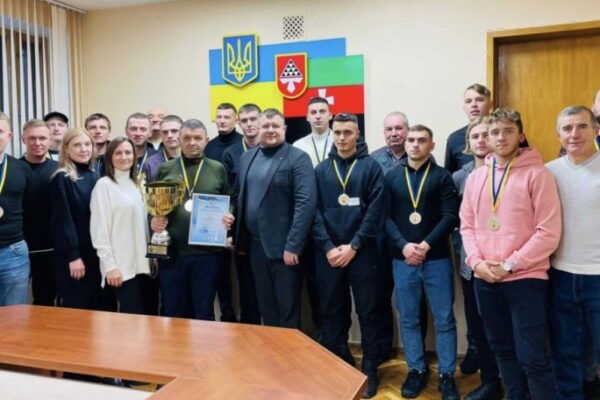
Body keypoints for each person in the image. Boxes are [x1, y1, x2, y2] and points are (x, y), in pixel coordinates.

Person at [460, 108, 561, 400]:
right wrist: (477, 263)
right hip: (485, 278)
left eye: (508, 131)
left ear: (521, 135)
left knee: (533, 356)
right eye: (494, 132)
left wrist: (510, 265)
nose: (501, 137)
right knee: (502, 350)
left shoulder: (538, 174)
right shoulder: (476, 177)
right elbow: (467, 226)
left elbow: (548, 232)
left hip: (525, 278)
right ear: (487, 138)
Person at [385, 124, 459, 400]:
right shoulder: (392, 177)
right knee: (409, 318)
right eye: (412, 140)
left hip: (436, 259)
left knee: (444, 319)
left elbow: (450, 216)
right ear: (405, 144)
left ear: (432, 145)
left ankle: (447, 374)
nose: (415, 144)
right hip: (402, 260)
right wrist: (404, 246)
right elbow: (384, 218)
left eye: (422, 140)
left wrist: (425, 245)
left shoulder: (442, 177)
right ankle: (416, 369)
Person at [313, 113, 384, 398]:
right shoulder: (321, 170)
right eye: (338, 132)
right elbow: (313, 212)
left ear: (357, 134)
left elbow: (375, 213)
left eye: (348, 132)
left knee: (368, 312)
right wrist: (329, 247)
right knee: (331, 311)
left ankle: (369, 368)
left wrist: (353, 246)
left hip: (362, 253)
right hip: (329, 253)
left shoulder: (371, 167)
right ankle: (338, 363)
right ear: (332, 133)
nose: (342, 138)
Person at [225, 108, 316, 329]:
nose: (270, 130)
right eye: (266, 126)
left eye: (275, 126)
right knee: (266, 306)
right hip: (254, 247)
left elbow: (305, 204)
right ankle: (271, 349)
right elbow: (239, 197)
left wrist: (293, 245)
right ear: (258, 129)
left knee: (287, 308)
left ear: (284, 129)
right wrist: (230, 222)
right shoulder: (247, 157)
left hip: (285, 249)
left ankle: (289, 350)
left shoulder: (298, 158)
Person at [151, 119, 231, 320]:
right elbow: (154, 205)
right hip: (173, 252)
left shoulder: (217, 168)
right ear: (179, 140)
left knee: (203, 311)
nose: (192, 142)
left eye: (197, 138)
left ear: (206, 140)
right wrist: (153, 220)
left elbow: (230, 200)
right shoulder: (166, 168)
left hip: (207, 254)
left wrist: (229, 215)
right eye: (186, 138)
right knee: (173, 311)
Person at [546, 106, 600, 400]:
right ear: (559, 135)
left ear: (596, 130)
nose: (574, 134)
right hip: (561, 275)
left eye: (582, 126)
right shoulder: (548, 172)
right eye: (567, 128)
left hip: (598, 276)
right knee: (565, 349)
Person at [370, 111, 428, 365]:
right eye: (389, 129)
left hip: (411, 241)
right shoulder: (373, 160)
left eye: (399, 128)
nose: (394, 133)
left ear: (407, 130)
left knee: (415, 299)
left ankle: (418, 352)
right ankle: (383, 347)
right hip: (380, 240)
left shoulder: (421, 156)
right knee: (379, 296)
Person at [452, 117, 502, 400]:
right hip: (472, 265)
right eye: (475, 136)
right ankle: (490, 381)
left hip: (506, 266)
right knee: (479, 326)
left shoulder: (514, 172)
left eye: (487, 134)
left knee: (507, 328)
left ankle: (515, 382)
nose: (481, 140)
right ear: (468, 144)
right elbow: (458, 223)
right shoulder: (460, 177)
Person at [51, 128, 111, 311]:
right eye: (77, 145)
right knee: (78, 309)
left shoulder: (94, 176)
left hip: (96, 254)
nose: (84, 149)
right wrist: (73, 256)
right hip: (76, 257)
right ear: (66, 149)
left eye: (87, 144)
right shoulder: (62, 178)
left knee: (101, 308)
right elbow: (63, 221)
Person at [90, 137, 150, 314]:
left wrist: (152, 258)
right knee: (129, 322)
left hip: (141, 266)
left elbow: (142, 226)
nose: (124, 157)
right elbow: (99, 230)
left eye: (128, 152)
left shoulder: (135, 185)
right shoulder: (104, 185)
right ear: (109, 157)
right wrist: (110, 266)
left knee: (143, 321)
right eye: (118, 153)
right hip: (119, 268)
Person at [293, 96, 335, 339]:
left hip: (335, 221)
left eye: (322, 111)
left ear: (330, 115)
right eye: (313, 112)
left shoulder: (340, 141)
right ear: (307, 117)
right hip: (308, 224)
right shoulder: (298, 146)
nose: (318, 116)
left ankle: (335, 337)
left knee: (333, 286)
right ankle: (319, 333)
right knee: (313, 283)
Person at [222, 103, 262, 325]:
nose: (249, 124)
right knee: (246, 286)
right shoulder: (231, 153)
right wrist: (229, 233)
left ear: (261, 120)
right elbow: (228, 196)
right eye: (244, 120)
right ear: (239, 123)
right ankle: (250, 330)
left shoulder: (271, 148)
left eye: (253, 119)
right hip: (241, 232)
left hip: (266, 231)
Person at [205, 102, 242, 323]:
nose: (222, 120)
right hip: (216, 219)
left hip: (239, 216)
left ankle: (248, 318)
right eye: (218, 117)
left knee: (244, 274)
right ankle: (227, 316)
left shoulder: (242, 144)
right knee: (220, 274)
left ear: (236, 120)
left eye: (227, 117)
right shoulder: (208, 147)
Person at [21, 119, 58, 306]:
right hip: (18, 247)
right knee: (14, 303)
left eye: (42, 138)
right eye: (32, 138)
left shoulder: (59, 170)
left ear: (50, 140)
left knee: (45, 301)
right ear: (23, 139)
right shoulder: (13, 168)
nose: (37, 143)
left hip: (50, 247)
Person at [125, 112, 159, 315]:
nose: (138, 133)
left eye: (142, 129)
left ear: (149, 133)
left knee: (150, 293)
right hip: (123, 237)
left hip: (150, 233)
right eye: (133, 128)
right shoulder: (116, 158)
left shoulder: (157, 160)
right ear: (126, 131)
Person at [0, 112, 33, 306]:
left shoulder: (21, 168)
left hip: (13, 253)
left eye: (0, 131)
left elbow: (29, 209)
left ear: (9, 136)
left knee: (15, 316)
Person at [445, 84, 493, 174]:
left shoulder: (503, 134)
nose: (473, 105)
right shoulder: (454, 139)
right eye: (468, 101)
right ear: (464, 107)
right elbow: (450, 176)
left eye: (479, 100)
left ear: (491, 104)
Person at [144, 115, 183, 182]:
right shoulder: (150, 163)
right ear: (161, 135)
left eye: (174, 131)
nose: (169, 135)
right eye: (165, 132)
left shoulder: (193, 159)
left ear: (183, 133)